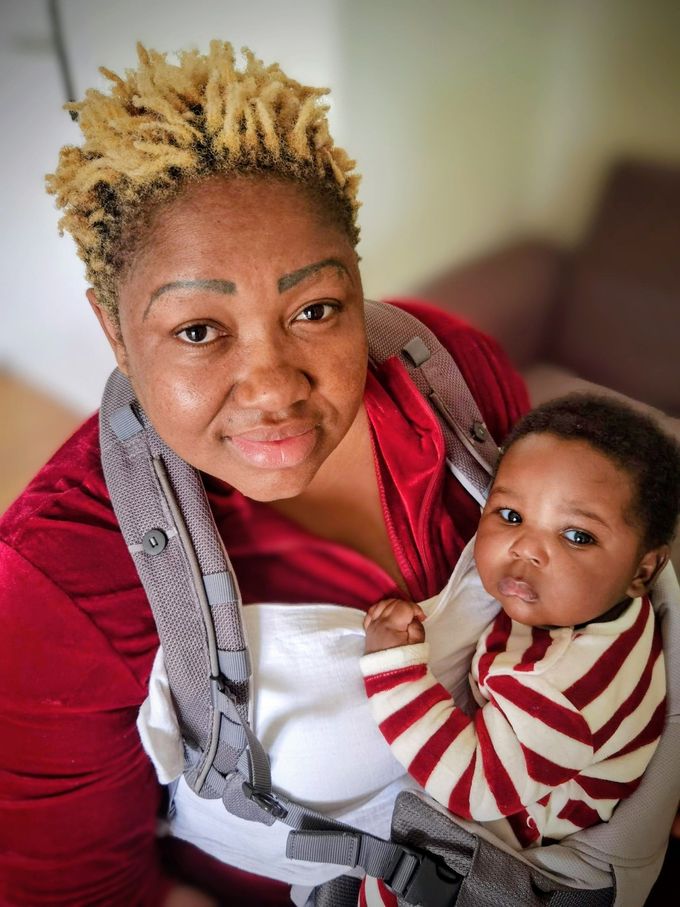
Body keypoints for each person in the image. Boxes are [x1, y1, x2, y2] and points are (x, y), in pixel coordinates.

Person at [0, 40, 529, 907]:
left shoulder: (451, 374)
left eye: (315, 310)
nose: (277, 386)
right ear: (114, 333)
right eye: (199, 331)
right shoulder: (59, 578)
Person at [360, 394, 680, 905]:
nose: (527, 548)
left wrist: (393, 669)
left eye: (577, 535)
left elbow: (468, 784)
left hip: (509, 846)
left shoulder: (561, 688)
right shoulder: (596, 602)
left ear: (643, 571)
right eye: (510, 514)